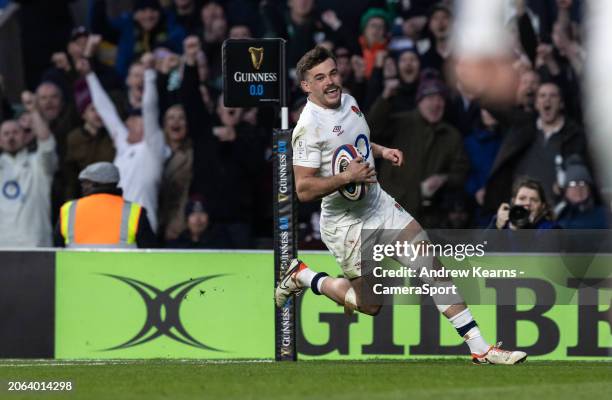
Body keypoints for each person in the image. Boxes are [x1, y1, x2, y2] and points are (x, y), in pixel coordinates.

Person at [275, 46, 527, 365]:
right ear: (306, 85)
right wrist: (347, 176)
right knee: (370, 304)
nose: (330, 82)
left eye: (333, 73)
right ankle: (304, 276)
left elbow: (355, 143)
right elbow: (304, 189)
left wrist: (381, 151)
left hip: (379, 205)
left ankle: (480, 348)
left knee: (431, 267)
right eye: (320, 77)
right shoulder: (308, 129)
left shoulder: (349, 102)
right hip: (346, 225)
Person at [81, 53, 170, 233]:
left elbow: (150, 109)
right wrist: (89, 75)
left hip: (140, 227)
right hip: (114, 226)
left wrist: (150, 75)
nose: (128, 123)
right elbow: (107, 112)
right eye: (129, 120)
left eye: (136, 120)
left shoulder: (152, 149)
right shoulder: (124, 147)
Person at [368, 73, 470, 226]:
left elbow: (461, 172)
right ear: (420, 101)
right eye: (430, 98)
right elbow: (371, 129)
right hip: (393, 214)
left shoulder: (451, 136)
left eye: (440, 99)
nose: (436, 104)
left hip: (431, 220)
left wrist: (443, 179)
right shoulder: (401, 123)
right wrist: (386, 97)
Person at [0, 92, 57, 247]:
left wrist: (34, 111)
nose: (11, 137)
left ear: (25, 137)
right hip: (3, 246)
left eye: (15, 132)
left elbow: (47, 145)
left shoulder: (37, 164)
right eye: (6, 134)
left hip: (35, 244)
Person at [55, 162, 156, 248]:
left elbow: (57, 249)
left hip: (75, 271)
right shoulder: (135, 212)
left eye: (85, 182)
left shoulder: (68, 210)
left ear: (93, 184)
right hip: (120, 271)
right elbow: (150, 253)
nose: (82, 187)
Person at [555, 157, 609, 229]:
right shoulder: (558, 215)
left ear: (589, 189)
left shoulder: (605, 215)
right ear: (565, 191)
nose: (578, 189)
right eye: (572, 184)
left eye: (582, 184)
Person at [489, 177, 558, 231]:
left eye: (534, 200)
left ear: (542, 206)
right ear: (513, 202)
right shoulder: (503, 224)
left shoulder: (551, 229)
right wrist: (496, 227)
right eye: (522, 198)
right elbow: (482, 247)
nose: (527, 203)